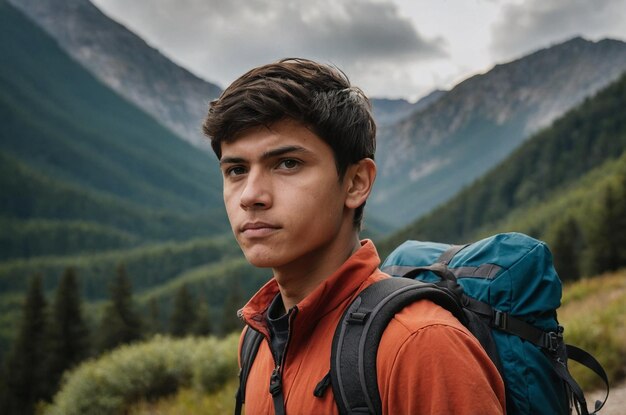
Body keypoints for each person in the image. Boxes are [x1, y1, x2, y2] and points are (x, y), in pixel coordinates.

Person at [202, 58, 505, 414]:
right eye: (236, 170)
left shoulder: (420, 344)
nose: (250, 195)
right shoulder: (257, 340)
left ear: (356, 182)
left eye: (288, 163)